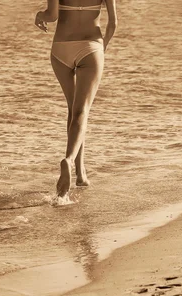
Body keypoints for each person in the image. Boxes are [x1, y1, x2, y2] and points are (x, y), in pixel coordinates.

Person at [35, 0, 118, 197]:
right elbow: (113, 24)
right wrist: (102, 47)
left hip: (60, 49)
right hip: (90, 47)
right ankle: (70, 161)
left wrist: (39, 16)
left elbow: (52, 16)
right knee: (82, 111)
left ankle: (81, 173)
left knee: (73, 110)